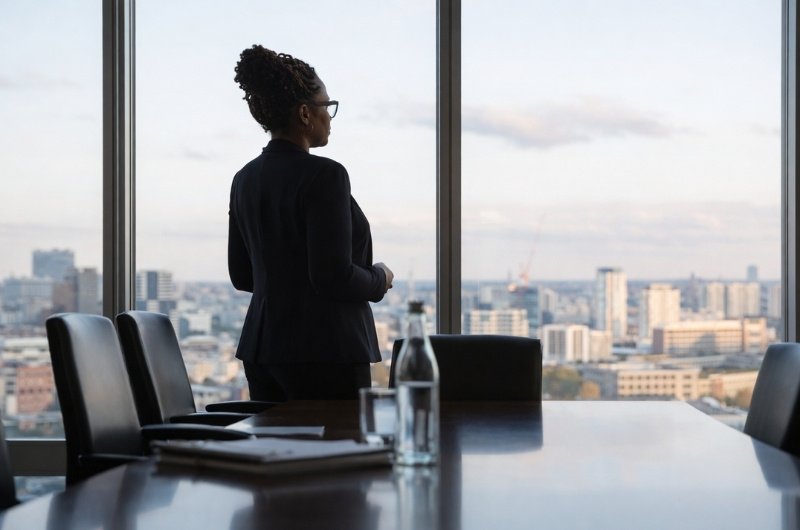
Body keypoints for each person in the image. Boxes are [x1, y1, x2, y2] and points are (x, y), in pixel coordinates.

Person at [228, 45, 394, 401]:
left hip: (262, 349)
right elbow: (332, 276)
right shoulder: (326, 175)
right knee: (335, 455)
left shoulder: (244, 179)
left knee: (276, 454)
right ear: (305, 113)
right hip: (327, 351)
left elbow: (242, 276)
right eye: (326, 108)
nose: (329, 118)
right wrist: (380, 278)